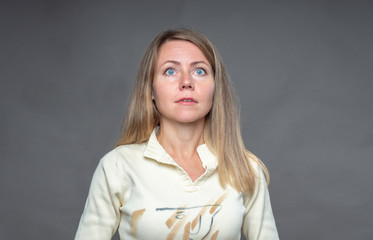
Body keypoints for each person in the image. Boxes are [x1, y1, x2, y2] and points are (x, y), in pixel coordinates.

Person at [75, 28, 279, 240]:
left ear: (215, 88)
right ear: (151, 90)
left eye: (199, 71)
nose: (186, 82)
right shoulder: (117, 166)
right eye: (170, 71)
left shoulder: (245, 168)